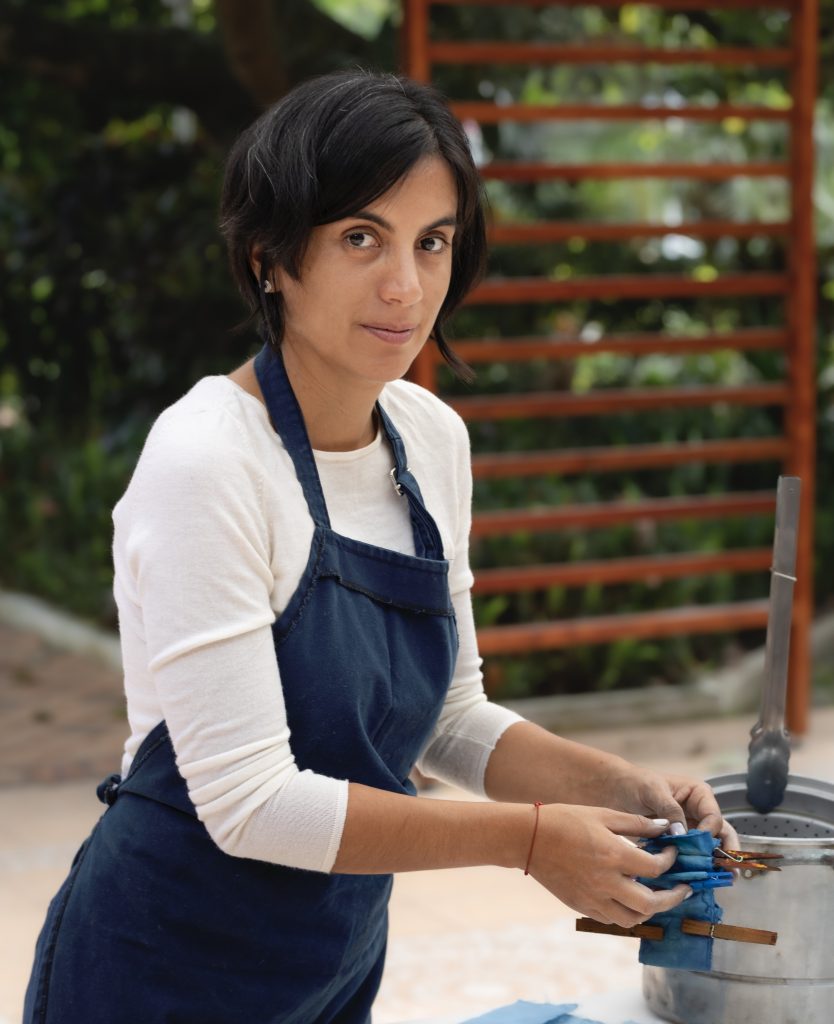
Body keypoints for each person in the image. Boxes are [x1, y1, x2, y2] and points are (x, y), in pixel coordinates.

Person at [24, 70, 736, 1024]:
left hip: (331, 963)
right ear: (270, 259)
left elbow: (448, 718)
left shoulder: (432, 440)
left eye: (431, 241)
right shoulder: (208, 461)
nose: (406, 286)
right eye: (362, 238)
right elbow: (250, 802)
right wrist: (528, 841)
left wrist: (615, 787)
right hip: (159, 968)